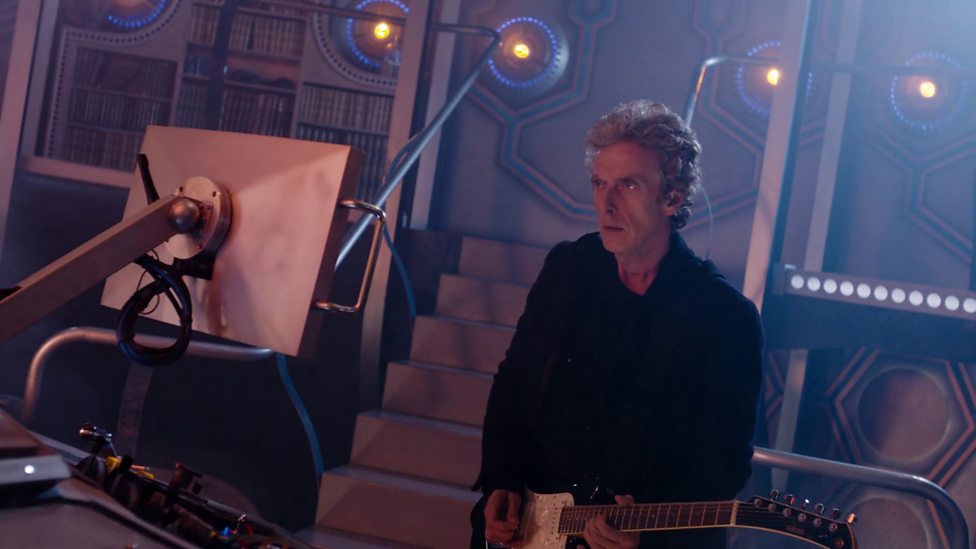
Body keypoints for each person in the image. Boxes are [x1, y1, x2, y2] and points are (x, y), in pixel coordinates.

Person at [471, 100, 763, 549]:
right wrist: (501, 479)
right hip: (528, 523)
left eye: (627, 185)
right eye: (599, 184)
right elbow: (514, 383)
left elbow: (723, 464)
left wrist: (647, 533)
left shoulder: (725, 315)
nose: (605, 204)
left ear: (673, 197)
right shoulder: (568, 268)